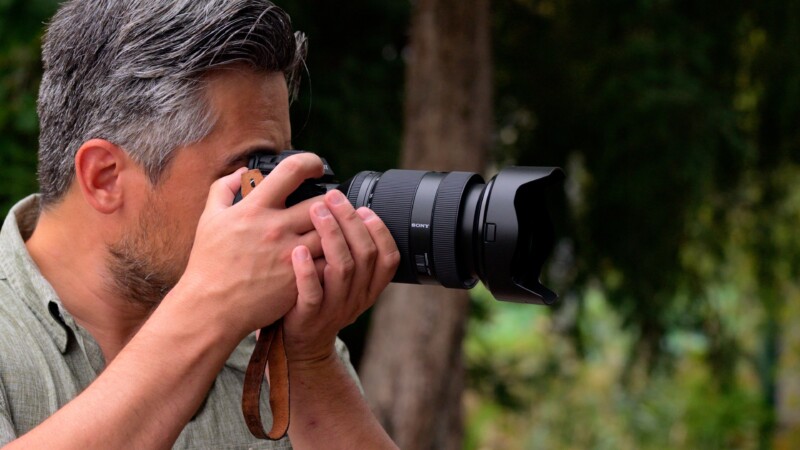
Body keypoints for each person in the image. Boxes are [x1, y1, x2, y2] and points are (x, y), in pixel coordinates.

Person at [0, 0, 400, 448]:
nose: (277, 204)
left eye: (276, 167)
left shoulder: (267, 330)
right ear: (105, 178)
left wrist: (310, 359)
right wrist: (211, 308)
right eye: (250, 173)